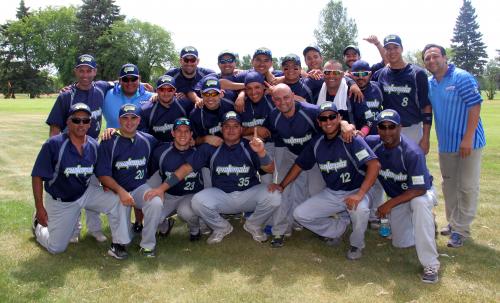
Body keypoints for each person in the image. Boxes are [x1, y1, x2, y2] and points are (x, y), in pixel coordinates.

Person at [145, 111, 281, 245]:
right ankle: (221, 228)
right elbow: (186, 169)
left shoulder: (251, 146)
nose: (231, 130)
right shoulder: (210, 148)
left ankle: (253, 225)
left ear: (241, 129)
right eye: (227, 126)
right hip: (222, 196)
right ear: (221, 128)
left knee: (274, 196)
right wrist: (161, 189)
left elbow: (269, 169)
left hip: (248, 195)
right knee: (198, 201)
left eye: (235, 126)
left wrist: (261, 152)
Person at [269, 102, 379, 259]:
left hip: (357, 190)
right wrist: (281, 185)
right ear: (318, 122)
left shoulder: (351, 139)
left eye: (332, 117)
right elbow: (299, 165)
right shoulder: (317, 142)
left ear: (339, 118)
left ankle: (356, 244)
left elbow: (374, 165)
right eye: (323, 118)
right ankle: (337, 230)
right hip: (333, 193)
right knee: (300, 214)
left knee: (359, 210)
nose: (328, 121)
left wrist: (360, 194)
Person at [32, 103, 129, 256]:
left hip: (85, 193)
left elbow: (101, 172)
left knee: (119, 200)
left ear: (90, 123)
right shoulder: (54, 144)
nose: (81, 124)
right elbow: (37, 176)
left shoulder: (93, 145)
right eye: (76, 120)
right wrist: (39, 207)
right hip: (62, 200)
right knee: (56, 248)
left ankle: (119, 244)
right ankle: (38, 226)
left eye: (85, 120)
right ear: (68, 122)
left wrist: (113, 187)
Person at [365, 109, 440, 283]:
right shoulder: (373, 143)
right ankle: (426, 224)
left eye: (391, 127)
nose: (387, 131)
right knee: (400, 243)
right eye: (382, 127)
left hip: (421, 192)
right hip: (399, 198)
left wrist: (388, 205)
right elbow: (352, 139)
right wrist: (346, 126)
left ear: (400, 127)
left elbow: (419, 189)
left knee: (420, 204)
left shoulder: (412, 152)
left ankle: (431, 264)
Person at [422, 44, 486, 248]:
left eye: (435, 56)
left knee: (467, 187)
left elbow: (474, 106)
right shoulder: (431, 83)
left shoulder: (462, 77)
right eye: (427, 58)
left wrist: (467, 138)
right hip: (447, 144)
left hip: (469, 143)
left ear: (444, 57)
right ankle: (453, 222)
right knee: (449, 186)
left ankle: (461, 230)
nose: (431, 61)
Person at [45, 54, 111, 243]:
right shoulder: (66, 95)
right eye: (81, 70)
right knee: (72, 189)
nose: (85, 74)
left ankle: (95, 229)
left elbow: (118, 83)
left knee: (92, 186)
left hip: (92, 149)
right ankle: (74, 229)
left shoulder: (101, 89)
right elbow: (55, 127)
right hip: (70, 151)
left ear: (94, 72)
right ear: (75, 71)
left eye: (89, 70)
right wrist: (55, 154)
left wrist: (144, 86)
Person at [95, 104, 162, 258]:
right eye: (125, 118)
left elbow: (169, 148)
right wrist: (120, 191)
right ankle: (118, 244)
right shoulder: (109, 141)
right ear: (119, 120)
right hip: (116, 190)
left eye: (134, 118)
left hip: (139, 187)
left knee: (155, 202)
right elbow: (103, 174)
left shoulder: (148, 140)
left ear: (139, 120)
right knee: (122, 215)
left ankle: (148, 245)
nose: (129, 122)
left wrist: (191, 142)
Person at [263, 84, 326, 247]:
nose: (282, 102)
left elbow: (333, 121)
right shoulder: (274, 115)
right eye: (277, 99)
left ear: (293, 95)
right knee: (282, 190)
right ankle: (280, 231)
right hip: (291, 154)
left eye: (286, 97)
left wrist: (347, 126)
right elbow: (263, 131)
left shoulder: (311, 111)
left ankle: (320, 228)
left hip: (313, 156)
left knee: (316, 191)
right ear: (273, 100)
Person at [372, 35, 432, 153]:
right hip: (388, 130)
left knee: (414, 169)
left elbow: (426, 106)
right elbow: (362, 80)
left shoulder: (417, 73)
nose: (392, 51)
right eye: (388, 48)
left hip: (411, 129)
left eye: (395, 47)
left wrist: (426, 138)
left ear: (402, 49)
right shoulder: (380, 74)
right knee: (391, 169)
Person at [147, 118, 204, 241]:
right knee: (152, 216)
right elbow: (152, 176)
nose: (182, 134)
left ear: (191, 134)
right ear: (172, 133)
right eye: (178, 131)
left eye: (186, 131)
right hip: (169, 195)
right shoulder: (161, 152)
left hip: (191, 195)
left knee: (185, 212)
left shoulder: (199, 152)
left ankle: (195, 230)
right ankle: (165, 226)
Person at [316, 60, 373, 136]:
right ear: (323, 73)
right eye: (327, 72)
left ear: (342, 74)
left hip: (348, 142)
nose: (331, 76)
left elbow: (369, 119)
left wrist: (362, 133)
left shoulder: (353, 93)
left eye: (336, 72)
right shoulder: (317, 90)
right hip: (324, 141)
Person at [138, 75, 193, 142]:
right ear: (157, 90)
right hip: (157, 149)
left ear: (175, 90)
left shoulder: (185, 105)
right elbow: (142, 138)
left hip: (181, 147)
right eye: (162, 89)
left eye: (170, 90)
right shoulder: (146, 110)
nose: (166, 93)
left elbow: (195, 126)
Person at [102, 63, 153, 129]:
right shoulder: (106, 95)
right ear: (120, 80)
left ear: (139, 79)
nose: (130, 83)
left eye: (133, 79)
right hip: (113, 139)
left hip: (141, 139)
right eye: (125, 79)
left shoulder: (151, 97)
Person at [350, 60, 384, 135]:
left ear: (370, 74)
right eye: (356, 74)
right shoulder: (348, 91)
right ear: (351, 75)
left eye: (364, 73)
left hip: (378, 135)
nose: (360, 77)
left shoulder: (378, 87)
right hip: (356, 136)